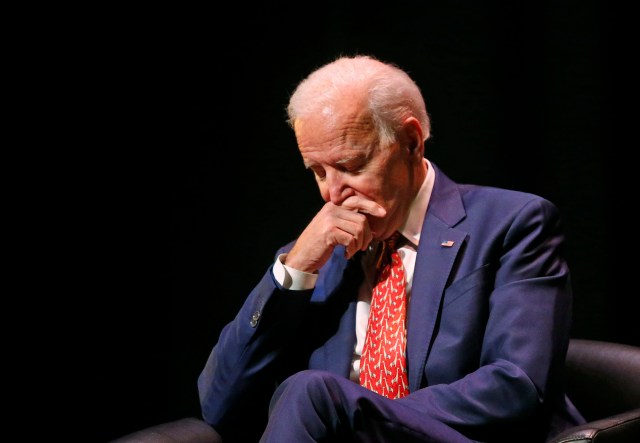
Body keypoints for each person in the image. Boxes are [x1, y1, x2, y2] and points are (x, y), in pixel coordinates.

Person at [197, 54, 585, 443]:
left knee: (311, 393)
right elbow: (220, 403)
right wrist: (294, 269)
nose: (332, 193)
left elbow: (518, 386)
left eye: (349, 166)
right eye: (317, 171)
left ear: (411, 142)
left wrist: (356, 410)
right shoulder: (317, 258)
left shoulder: (512, 223)